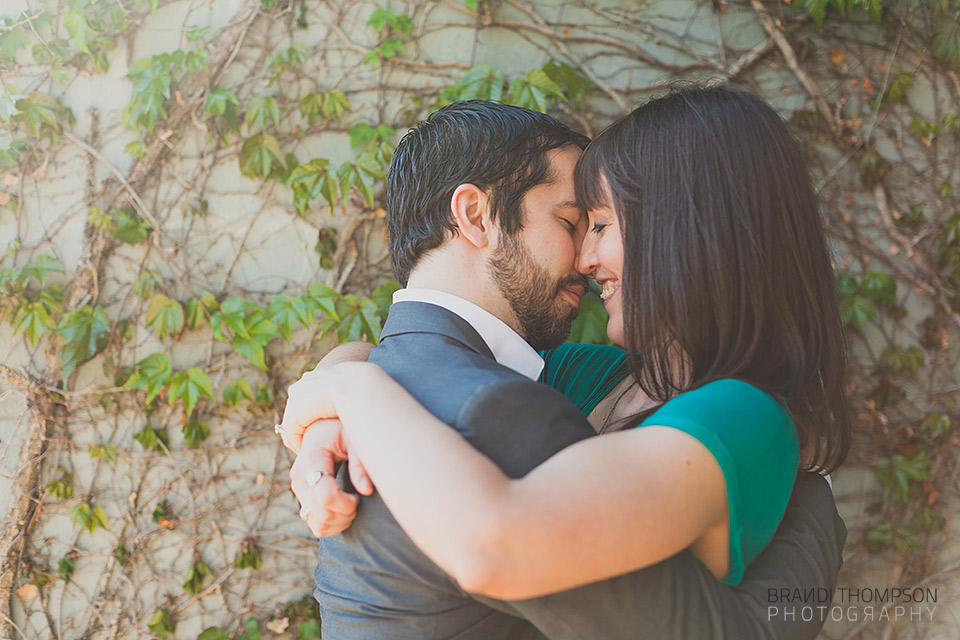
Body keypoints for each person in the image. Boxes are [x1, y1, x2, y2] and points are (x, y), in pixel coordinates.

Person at [279, 93, 847, 639]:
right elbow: (430, 357)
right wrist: (335, 392)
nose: (584, 257)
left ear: (683, 229)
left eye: (598, 224)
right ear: (474, 216)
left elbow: (500, 542)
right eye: (577, 223)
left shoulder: (740, 413)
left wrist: (354, 390)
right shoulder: (583, 376)